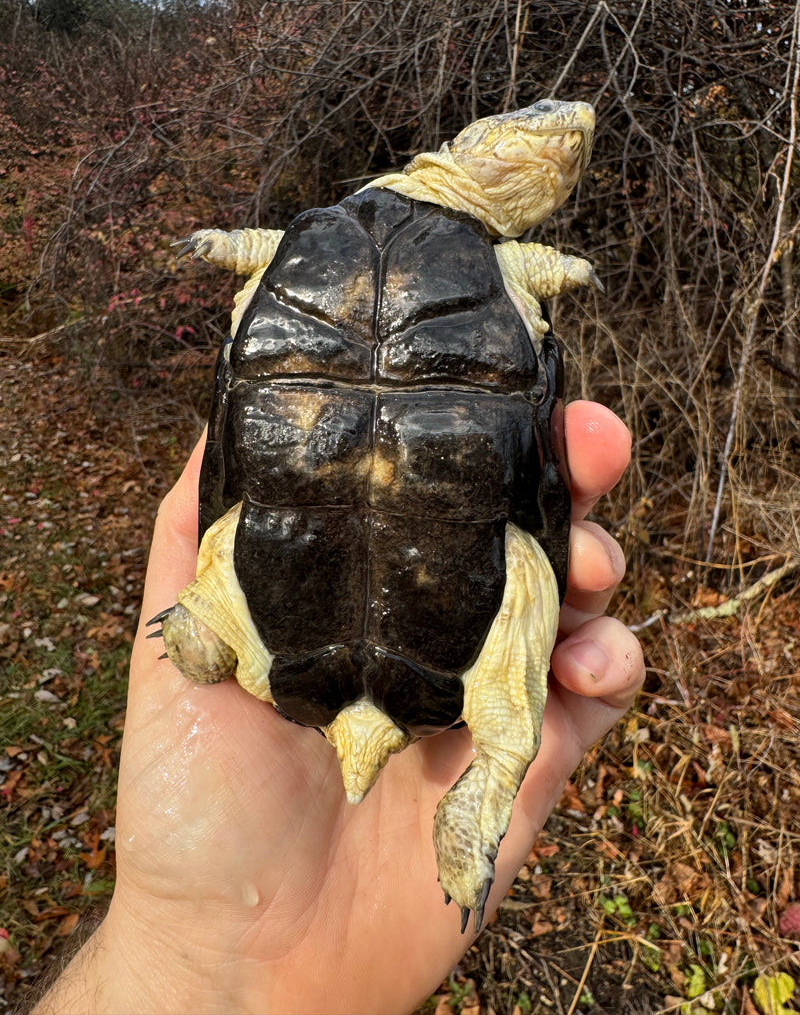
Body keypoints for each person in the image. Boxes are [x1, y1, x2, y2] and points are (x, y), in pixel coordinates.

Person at [34, 400, 643, 1015]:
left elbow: (216, 568)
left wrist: (184, 955)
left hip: (308, 359)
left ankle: (491, 776)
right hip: (472, 366)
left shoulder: (262, 656)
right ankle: (492, 778)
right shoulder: (275, 655)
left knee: (202, 634)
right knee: (526, 578)